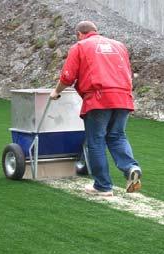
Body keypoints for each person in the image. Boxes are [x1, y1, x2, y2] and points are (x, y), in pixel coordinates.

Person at [50, 21, 142, 197]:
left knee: (96, 141)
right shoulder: (119, 45)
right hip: (123, 97)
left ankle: (102, 186)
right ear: (96, 31)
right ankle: (131, 167)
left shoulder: (80, 46)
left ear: (79, 34)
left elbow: (68, 76)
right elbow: (127, 73)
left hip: (98, 98)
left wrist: (56, 92)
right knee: (117, 136)